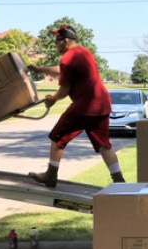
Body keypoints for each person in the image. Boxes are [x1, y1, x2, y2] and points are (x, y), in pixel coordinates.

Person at [25, 24, 126, 187]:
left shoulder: (67, 58)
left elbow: (64, 90)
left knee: (57, 138)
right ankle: (119, 181)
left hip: (85, 105)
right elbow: (62, 70)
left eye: (57, 40)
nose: (55, 44)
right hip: (102, 103)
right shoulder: (84, 52)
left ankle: (50, 176)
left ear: (65, 41)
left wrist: (53, 99)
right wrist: (39, 69)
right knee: (103, 144)